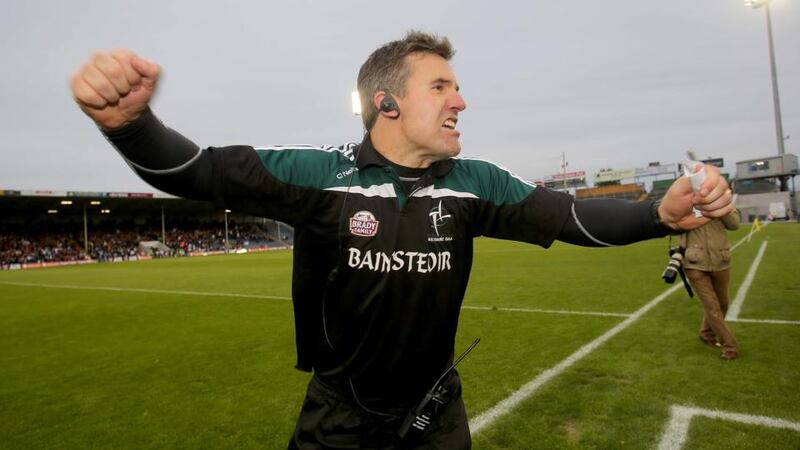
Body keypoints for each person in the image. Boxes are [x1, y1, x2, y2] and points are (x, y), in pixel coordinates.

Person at [70, 31, 734, 449]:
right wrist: (130, 126)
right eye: (441, 86)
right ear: (386, 104)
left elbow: (569, 218)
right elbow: (193, 171)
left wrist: (659, 213)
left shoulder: (474, 183)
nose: (461, 102)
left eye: (459, 86)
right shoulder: (318, 175)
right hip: (338, 416)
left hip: (435, 412)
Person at [680, 209, 740, 360]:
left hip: (721, 261)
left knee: (723, 303)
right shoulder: (686, 206)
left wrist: (721, 209)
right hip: (695, 264)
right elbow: (675, 228)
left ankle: (706, 333)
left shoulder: (722, 204)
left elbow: (734, 225)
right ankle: (730, 346)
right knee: (712, 307)